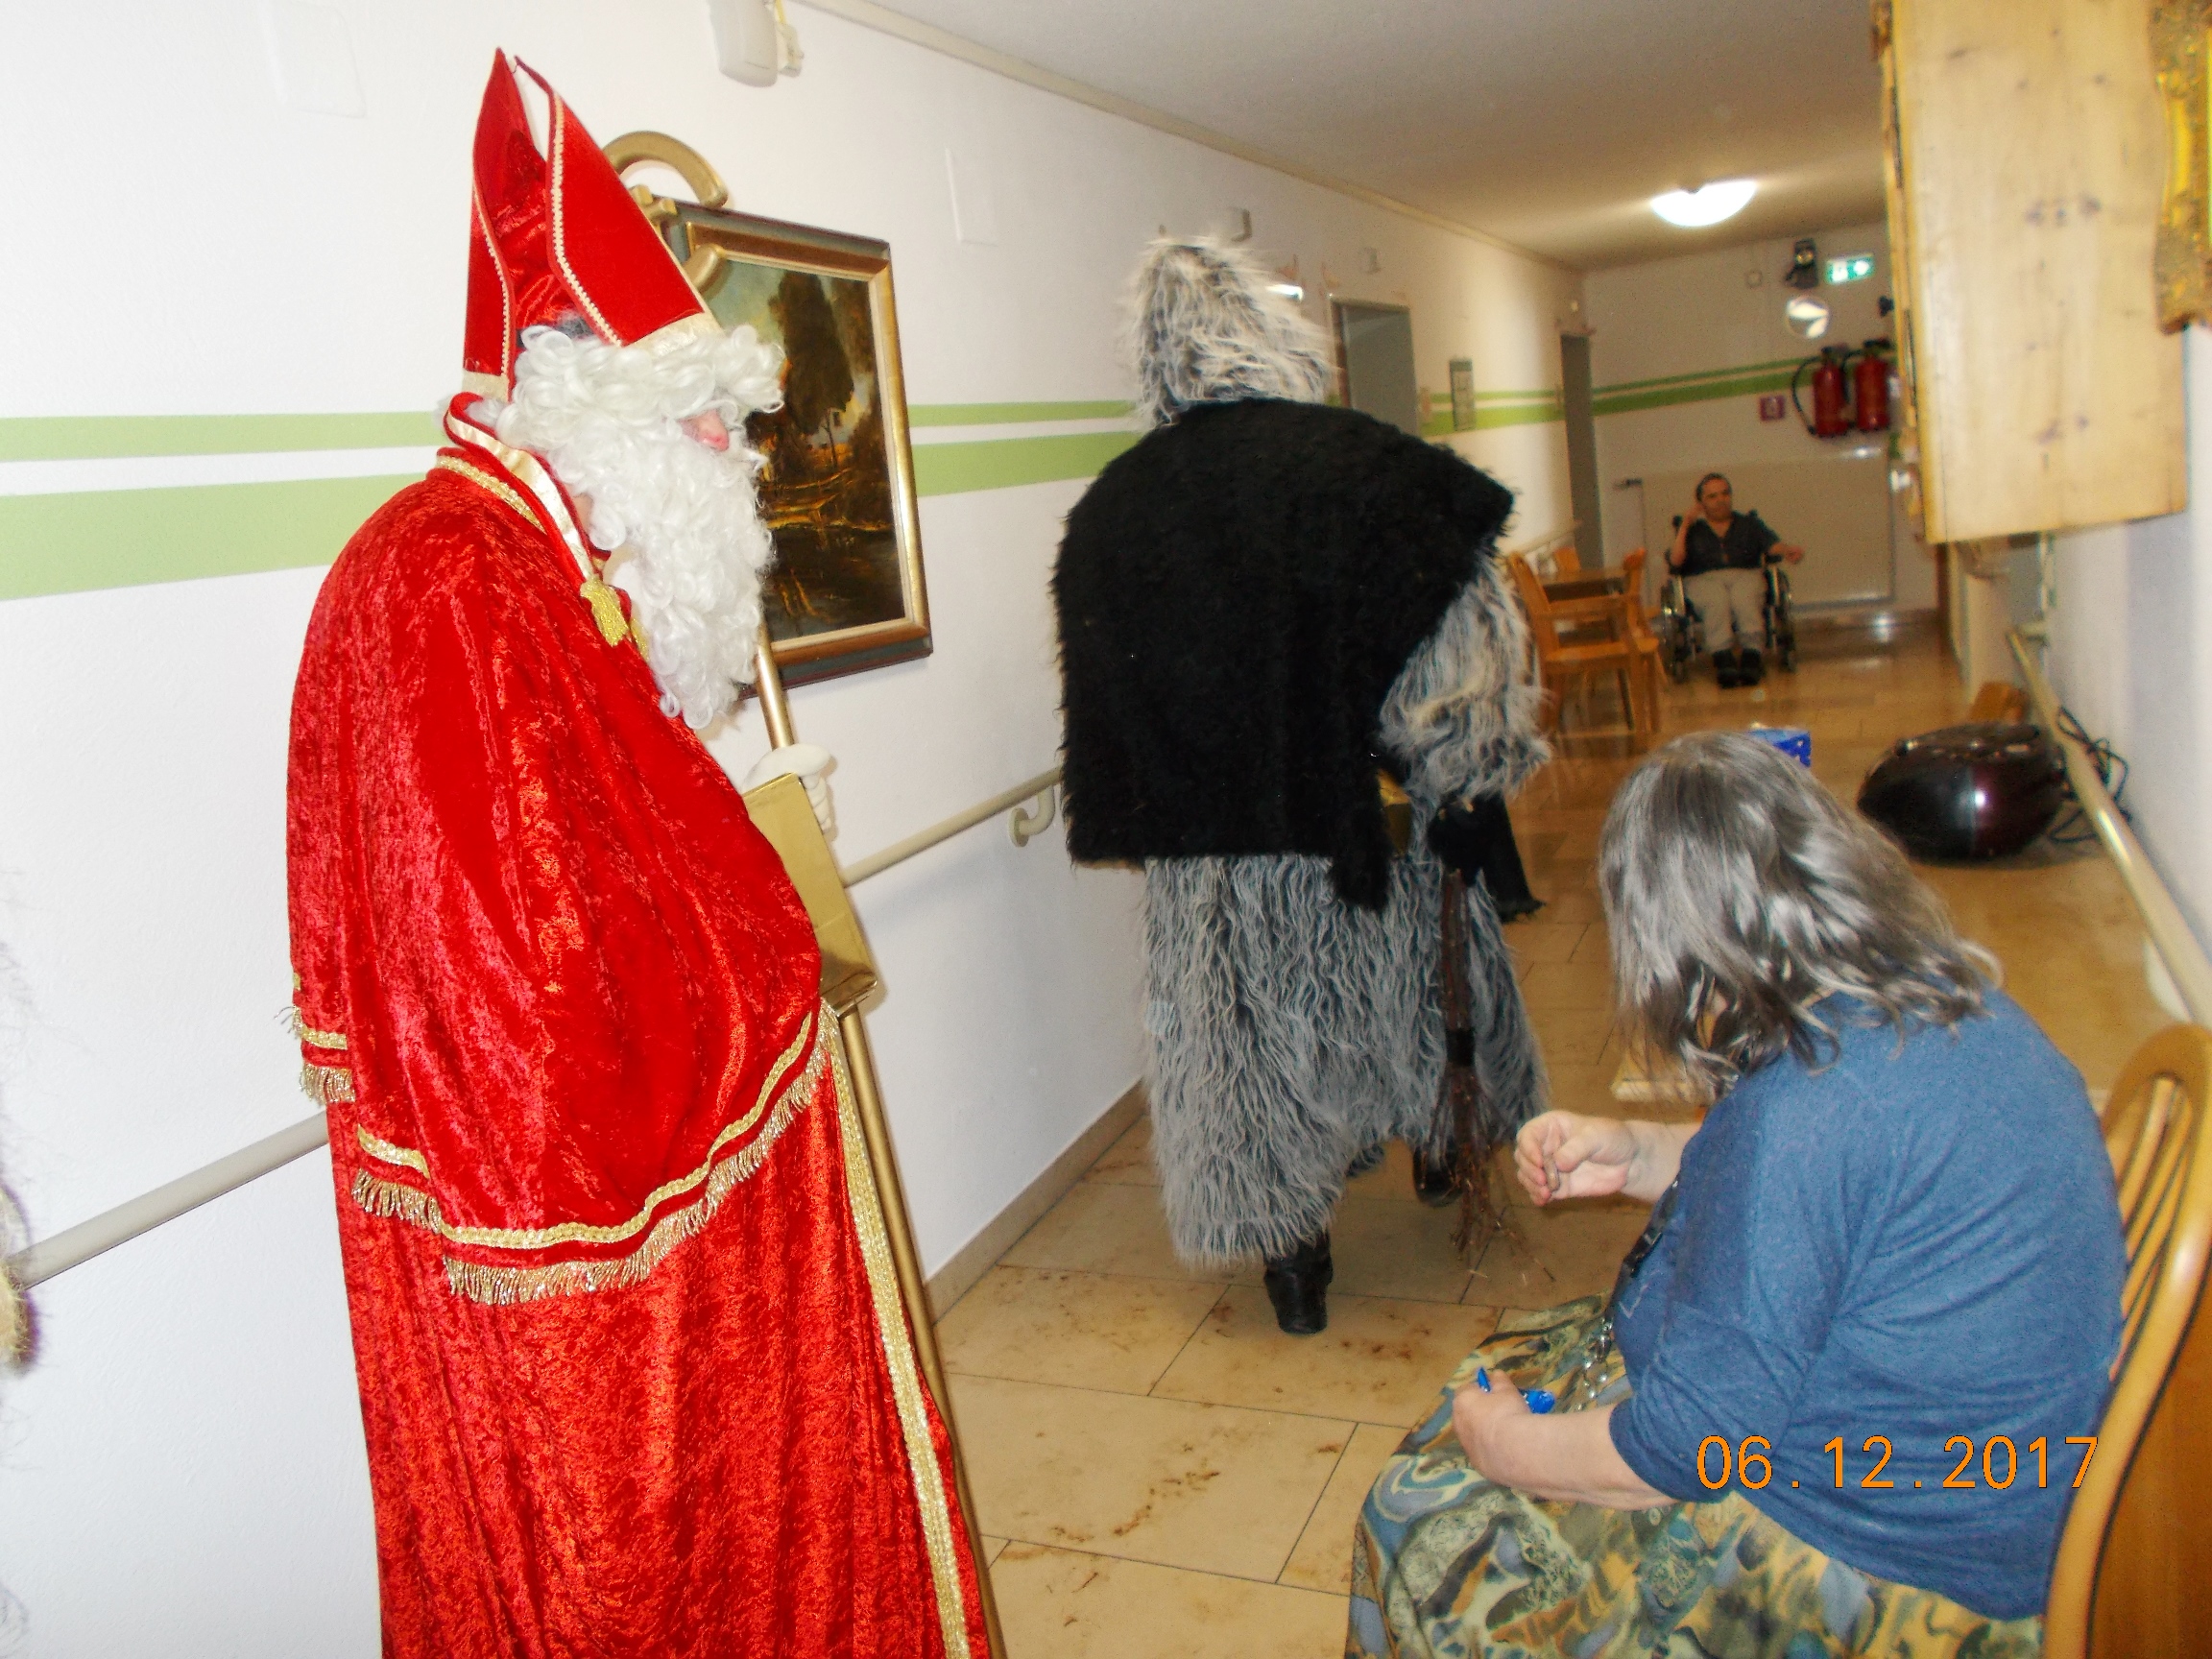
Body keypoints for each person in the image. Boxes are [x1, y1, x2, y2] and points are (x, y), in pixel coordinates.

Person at [286, 55, 986, 1657]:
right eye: (700, 420)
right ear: (588, 405)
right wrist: (767, 937)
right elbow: (524, 1017)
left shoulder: (534, 565)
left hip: (599, 1253)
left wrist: (738, 867)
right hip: (581, 1306)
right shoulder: (458, 585)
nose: (728, 465)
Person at [1350, 732, 2124, 1657]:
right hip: (1994, 1488)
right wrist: (1639, 1152)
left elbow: (1684, 1449)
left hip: (1889, 1569)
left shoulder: (1802, 1114)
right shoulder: (1948, 1005)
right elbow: (1844, 1193)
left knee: (1408, 1513)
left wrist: (1502, 1444)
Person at [1053, 239, 1548, 1335]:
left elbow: (1108, 706)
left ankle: (1295, 1263)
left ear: (1157, 358)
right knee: (1415, 995)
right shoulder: (1368, 466)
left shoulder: (1115, 511)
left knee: (1253, 1055)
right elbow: (1467, 649)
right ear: (1273, 338)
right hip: (1368, 816)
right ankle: (1439, 1147)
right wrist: (1464, 780)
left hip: (1219, 857)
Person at [1667, 472, 1804, 686]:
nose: (1720, 500)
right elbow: (1676, 562)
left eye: (1724, 494)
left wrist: (1787, 550)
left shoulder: (1749, 523)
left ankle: (1752, 656)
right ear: (1701, 503)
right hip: (1703, 578)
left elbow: (1771, 545)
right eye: (1712, 496)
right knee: (1716, 600)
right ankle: (1723, 659)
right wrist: (1684, 526)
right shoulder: (1694, 530)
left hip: (1745, 573)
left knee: (1745, 597)